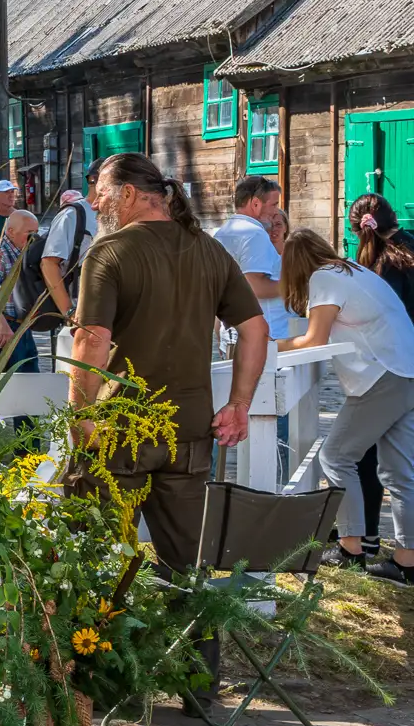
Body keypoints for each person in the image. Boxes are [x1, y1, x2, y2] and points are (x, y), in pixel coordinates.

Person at [68, 153, 267, 573]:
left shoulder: (110, 251)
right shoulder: (208, 249)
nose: (96, 203)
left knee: (100, 562)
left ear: (128, 193)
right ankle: (193, 620)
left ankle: (114, 618)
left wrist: (80, 416)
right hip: (189, 431)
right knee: (187, 565)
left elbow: (91, 340)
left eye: (101, 193)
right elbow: (256, 330)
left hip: (121, 429)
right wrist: (239, 403)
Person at [277, 229, 414, 585]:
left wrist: (267, 346)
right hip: (406, 369)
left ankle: (351, 548)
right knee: (400, 473)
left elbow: (313, 339)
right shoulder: (353, 270)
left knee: (336, 457)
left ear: (295, 265)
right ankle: (406, 562)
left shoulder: (324, 277)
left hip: (382, 375)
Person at [340, 194, 414, 561]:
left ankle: (363, 538)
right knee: (402, 467)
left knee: (356, 456)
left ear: (357, 230)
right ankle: (405, 556)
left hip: (389, 367)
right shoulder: (409, 246)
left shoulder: (379, 265)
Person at [212, 175, 290, 342]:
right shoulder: (254, 233)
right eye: (274, 204)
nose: (275, 211)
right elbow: (255, 287)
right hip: (265, 334)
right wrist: (294, 286)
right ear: (255, 204)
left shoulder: (222, 233)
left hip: (233, 331)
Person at [0, 210, 40, 373]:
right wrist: (2, 325)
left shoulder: (22, 251)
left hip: (21, 326)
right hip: (4, 326)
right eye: (29, 232)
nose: (34, 238)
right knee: (7, 381)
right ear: (11, 231)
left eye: (36, 232)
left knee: (30, 379)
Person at [40, 187, 98, 328]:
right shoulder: (72, 214)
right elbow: (48, 263)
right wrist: (69, 313)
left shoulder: (119, 216)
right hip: (82, 313)